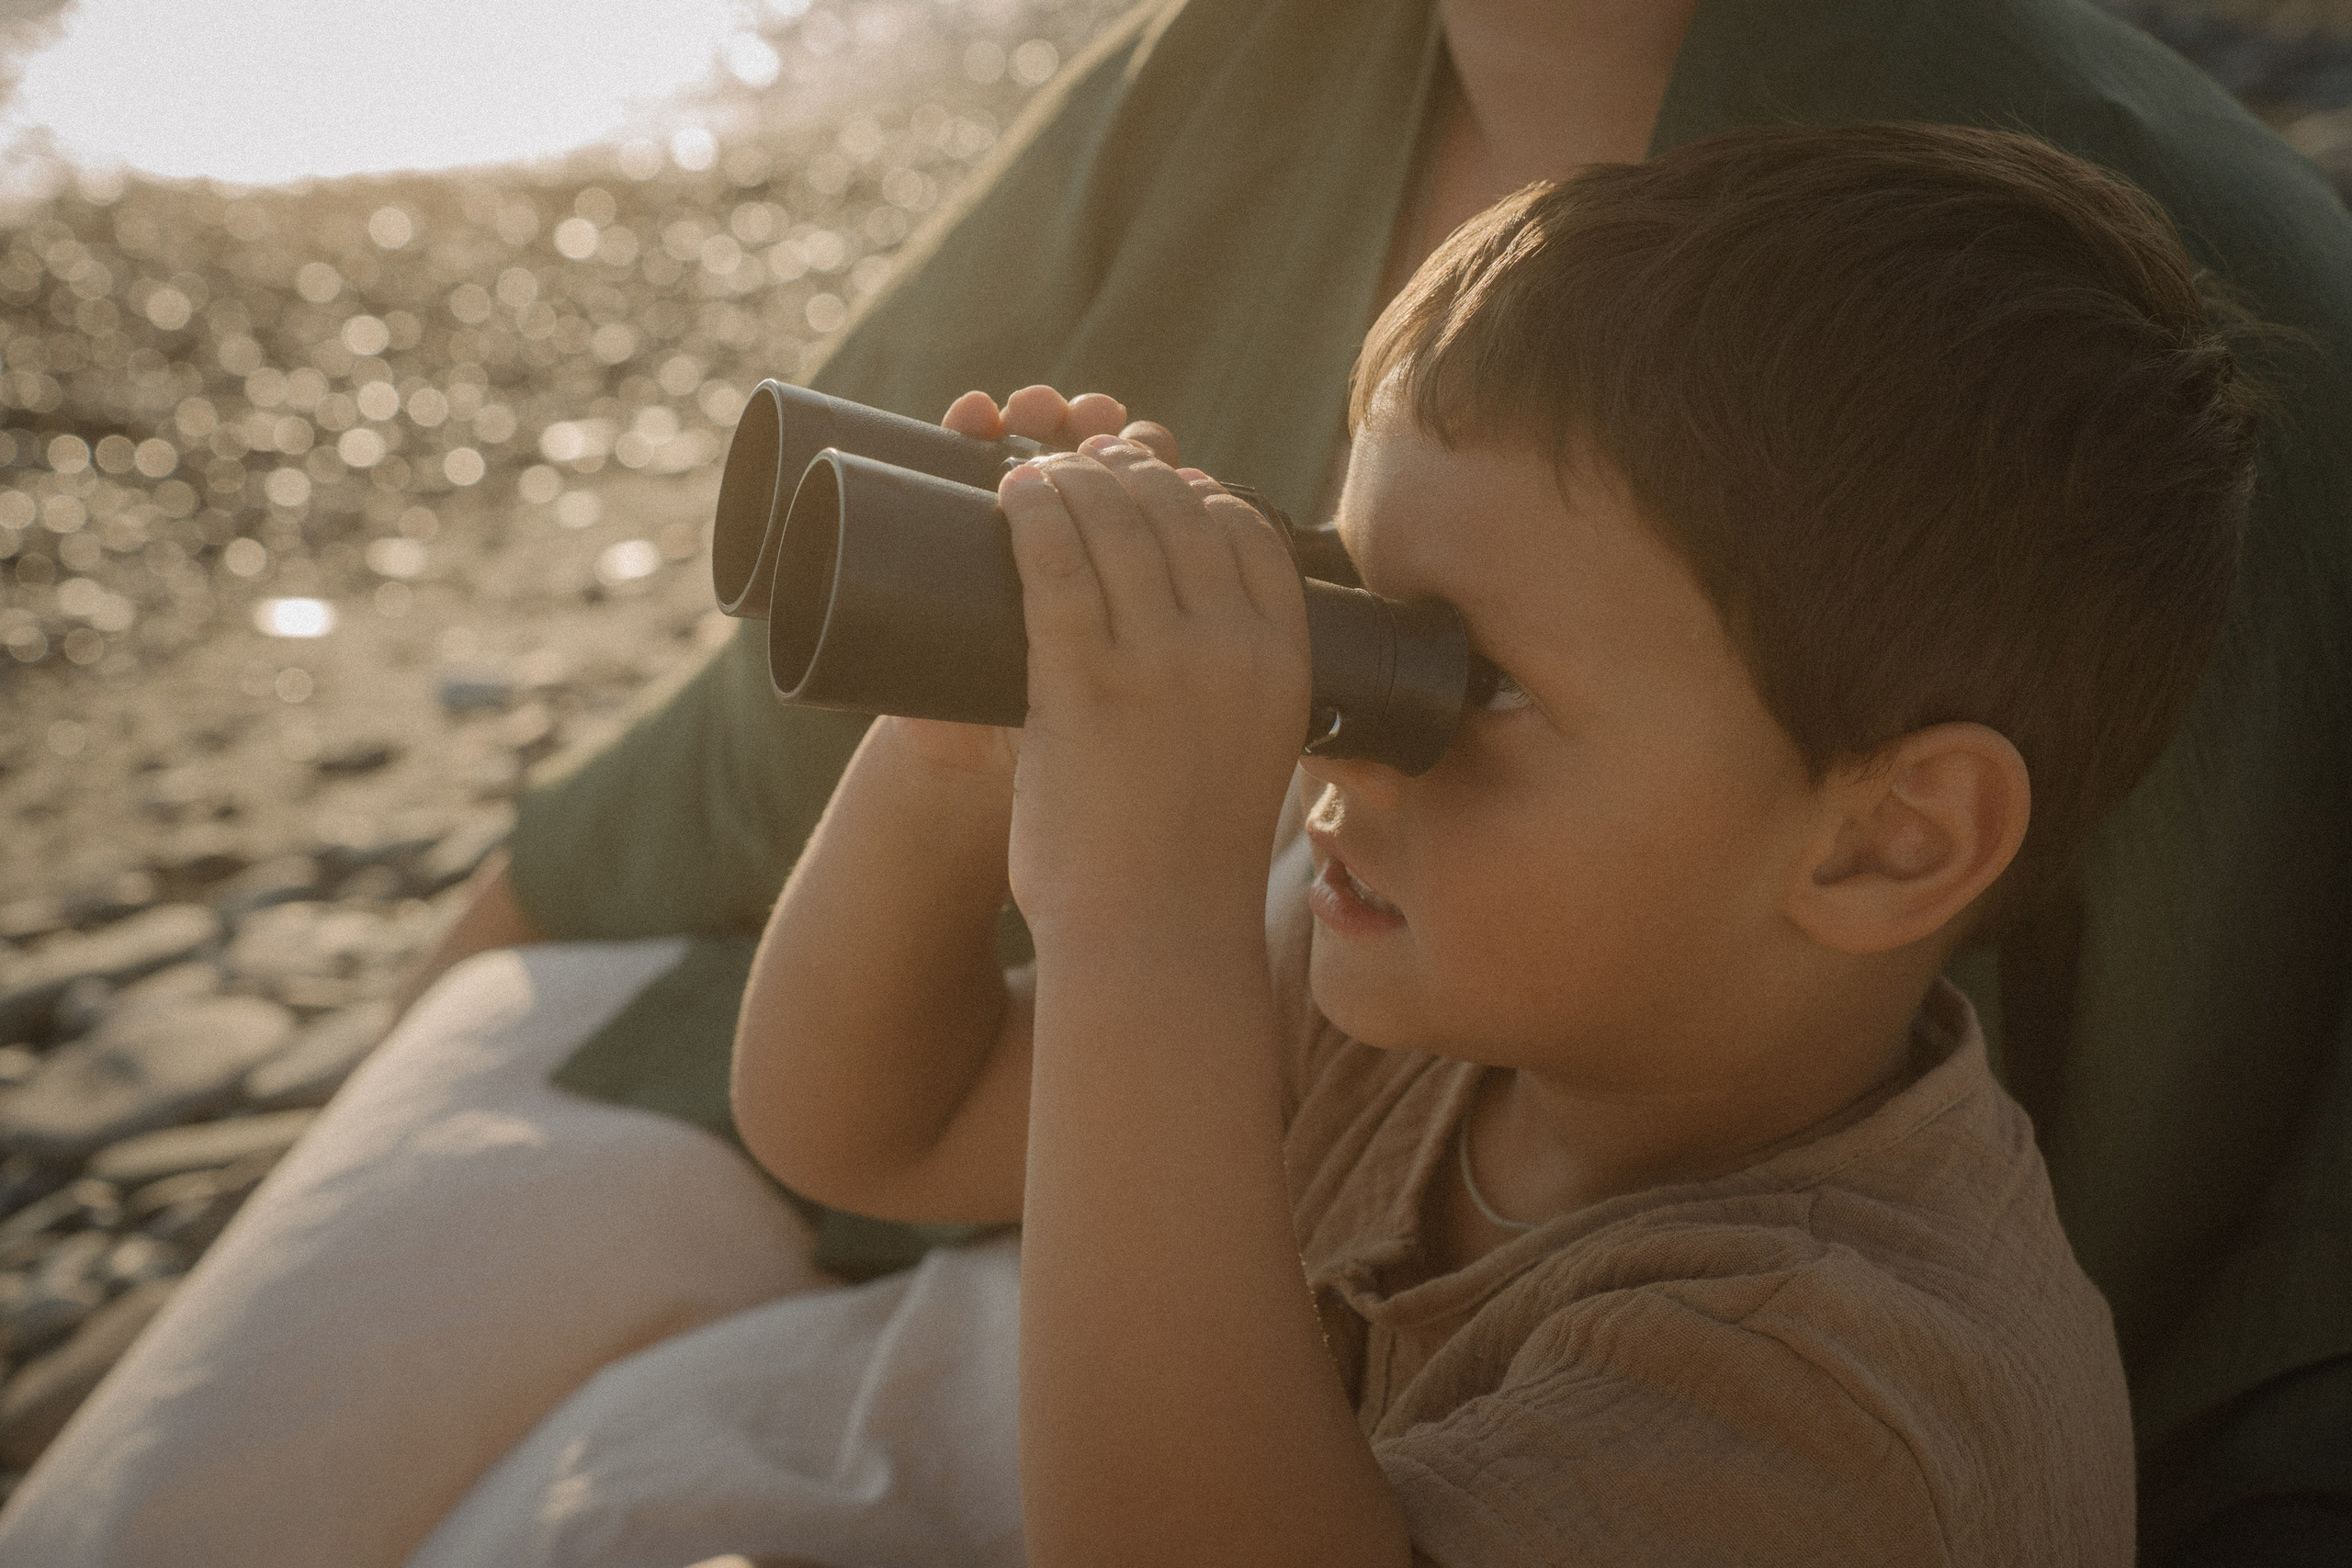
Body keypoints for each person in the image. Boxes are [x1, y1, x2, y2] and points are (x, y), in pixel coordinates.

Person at [6, 0, 2346, 1561]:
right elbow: (862, 1125)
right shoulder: (1449, 1014)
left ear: (1886, 835)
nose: (1347, 731)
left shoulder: (1838, 1375)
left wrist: (1130, 925)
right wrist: (959, 760)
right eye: (1347, 604)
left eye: (1463, 677)